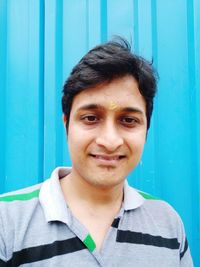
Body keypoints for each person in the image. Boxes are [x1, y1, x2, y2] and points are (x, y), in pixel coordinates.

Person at [0, 38, 194, 267]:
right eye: (91, 118)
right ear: (66, 125)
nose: (110, 141)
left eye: (129, 120)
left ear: (146, 130)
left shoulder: (168, 224)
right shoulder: (7, 221)